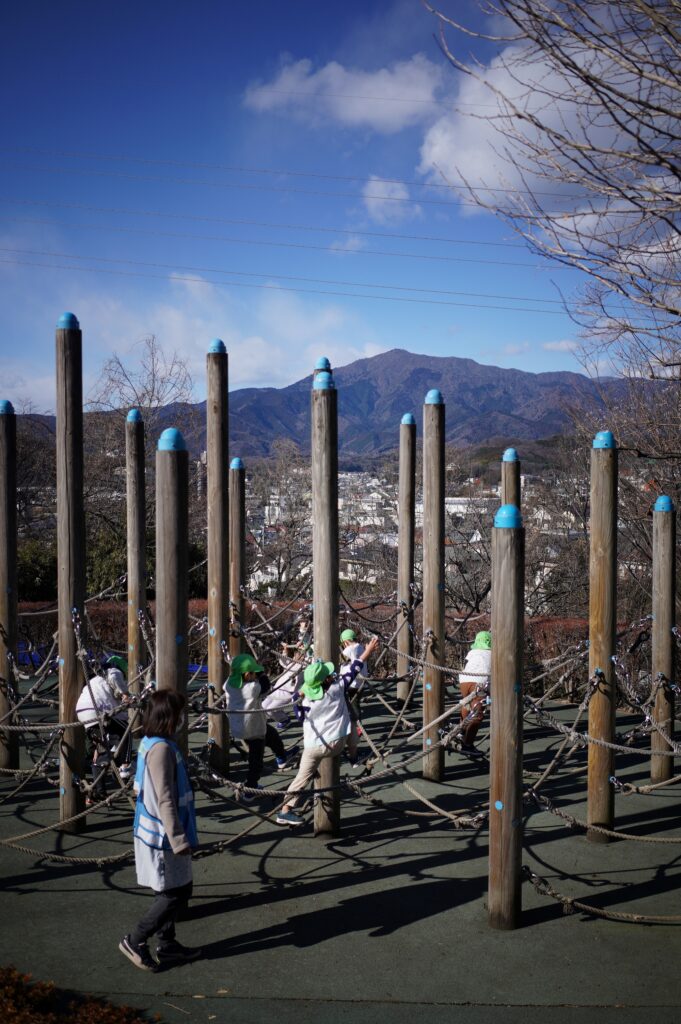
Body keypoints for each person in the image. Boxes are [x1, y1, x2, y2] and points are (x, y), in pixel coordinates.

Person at [119, 689, 200, 972]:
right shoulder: (162, 749)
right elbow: (165, 797)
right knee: (175, 892)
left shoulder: (151, 742)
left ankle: (167, 944)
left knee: (168, 889)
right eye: (179, 715)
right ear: (170, 717)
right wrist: (179, 839)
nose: (183, 720)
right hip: (162, 835)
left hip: (155, 831)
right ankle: (136, 938)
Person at [276, 635, 379, 827]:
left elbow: (298, 713)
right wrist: (369, 649)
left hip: (312, 747)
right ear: (328, 679)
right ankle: (354, 756)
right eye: (329, 675)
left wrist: (300, 693)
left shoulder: (304, 701)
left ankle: (285, 810)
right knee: (348, 718)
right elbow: (356, 667)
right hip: (336, 744)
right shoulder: (337, 689)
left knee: (301, 779)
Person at [224, 653, 299, 800]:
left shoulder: (228, 684)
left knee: (272, 735)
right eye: (252, 673)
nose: (254, 676)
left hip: (240, 725)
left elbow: (247, 677)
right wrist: (261, 671)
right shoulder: (252, 688)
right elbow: (266, 685)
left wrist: (253, 668)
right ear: (246, 675)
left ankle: (282, 757)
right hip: (252, 728)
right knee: (256, 758)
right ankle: (251, 788)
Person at [75, 662, 132, 802]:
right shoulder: (113, 671)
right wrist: (125, 694)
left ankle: (98, 791)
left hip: (83, 714)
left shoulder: (94, 681)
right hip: (99, 711)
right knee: (126, 731)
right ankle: (125, 765)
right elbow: (114, 676)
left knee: (100, 752)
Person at [457, 631, 492, 751]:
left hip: (464, 681)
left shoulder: (472, 652)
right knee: (478, 713)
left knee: (467, 705)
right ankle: (468, 743)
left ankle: (461, 731)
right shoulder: (492, 653)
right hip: (479, 683)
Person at [340, 629, 369, 765]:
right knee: (355, 703)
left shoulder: (350, 649)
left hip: (351, 683)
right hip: (359, 683)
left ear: (346, 642)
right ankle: (357, 725)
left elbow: (340, 658)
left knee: (351, 705)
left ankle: (356, 726)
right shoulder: (361, 647)